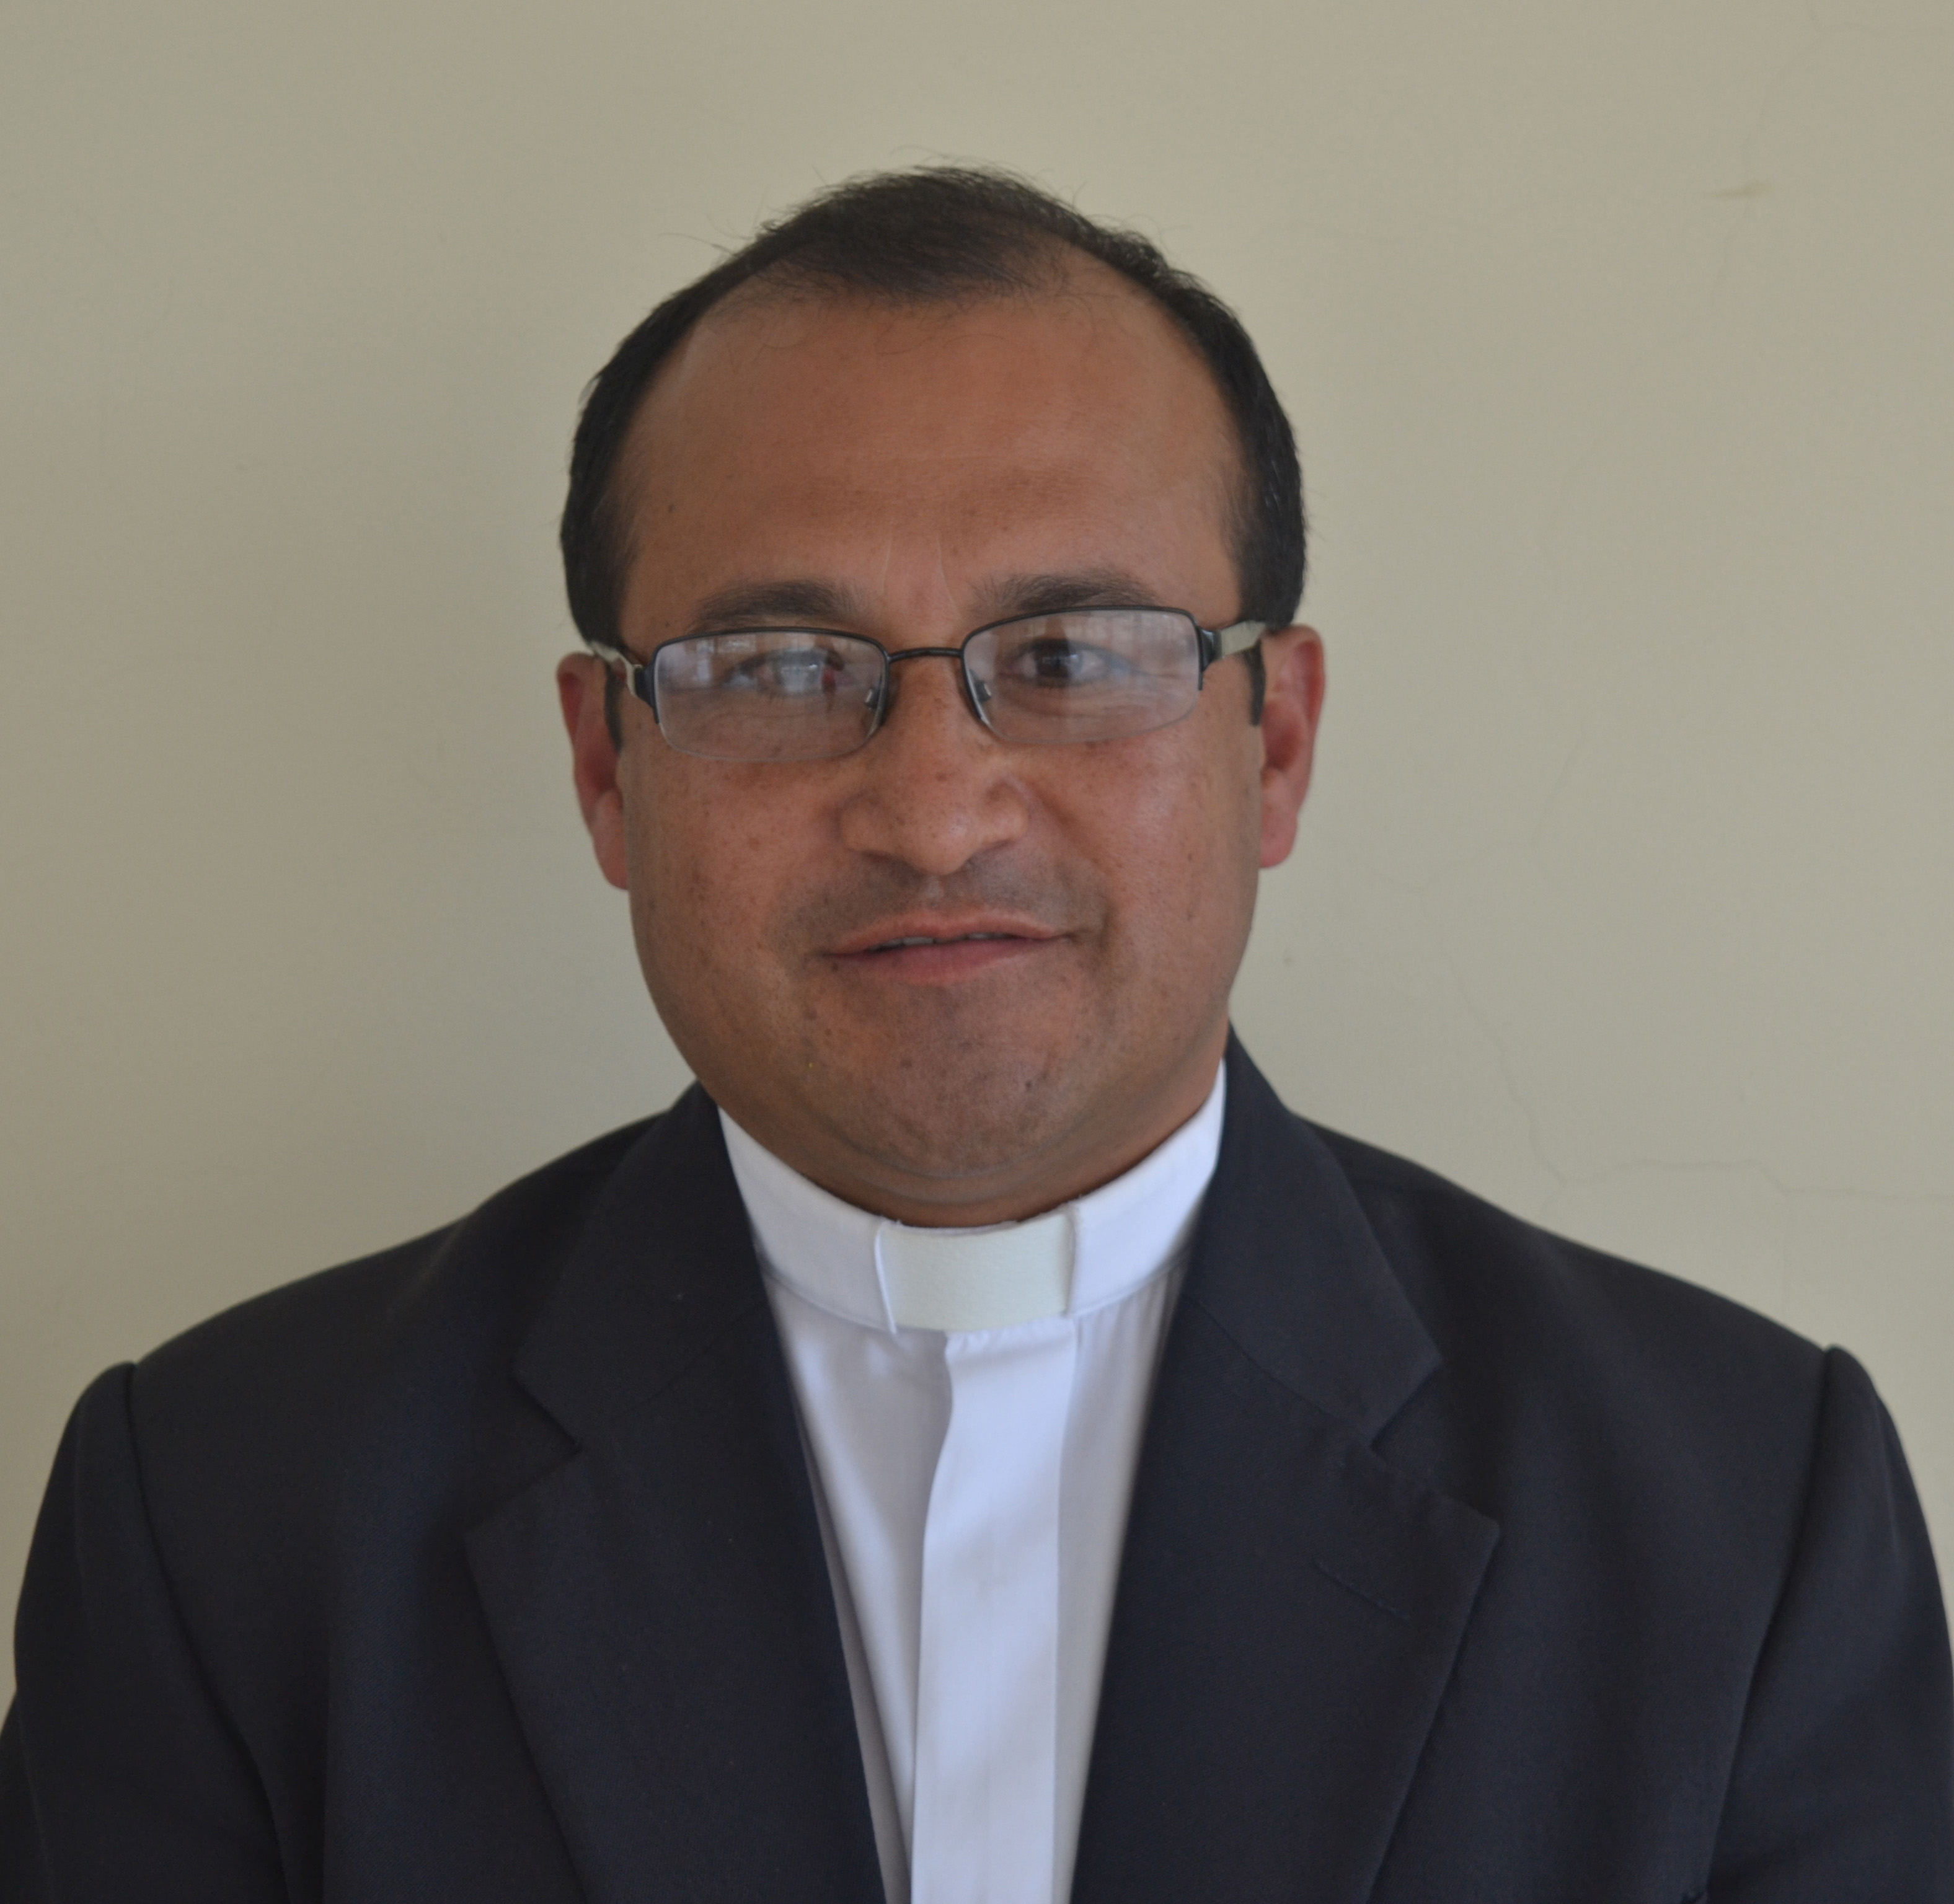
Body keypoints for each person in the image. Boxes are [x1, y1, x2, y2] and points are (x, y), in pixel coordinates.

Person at [2, 165, 1948, 1904]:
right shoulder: (222, 1524)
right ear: (609, 772)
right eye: (779, 667)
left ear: (1272, 742)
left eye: (1072, 657)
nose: (935, 813)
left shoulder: (1741, 1517)